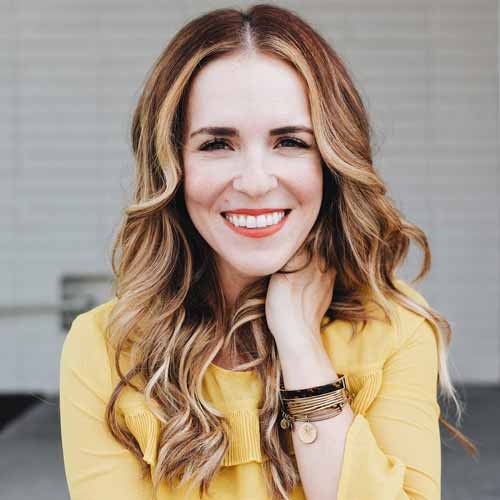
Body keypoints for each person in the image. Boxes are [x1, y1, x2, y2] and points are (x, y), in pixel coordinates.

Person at [59, 4, 477, 500]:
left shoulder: (393, 331)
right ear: (171, 165)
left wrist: (300, 344)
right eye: (217, 144)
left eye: (290, 142)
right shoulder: (104, 349)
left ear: (331, 161)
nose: (256, 182)